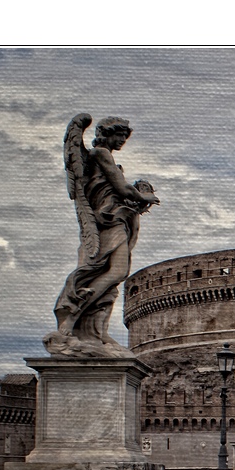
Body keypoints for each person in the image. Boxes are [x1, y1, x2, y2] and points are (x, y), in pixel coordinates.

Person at [48, 115, 160, 356]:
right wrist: (145, 197)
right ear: (107, 133)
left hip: (117, 220)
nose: (122, 141)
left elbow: (119, 192)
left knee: (113, 274)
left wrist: (135, 201)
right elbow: (120, 188)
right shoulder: (100, 154)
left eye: (124, 137)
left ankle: (95, 330)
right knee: (115, 271)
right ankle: (72, 316)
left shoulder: (103, 158)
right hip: (107, 221)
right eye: (119, 136)